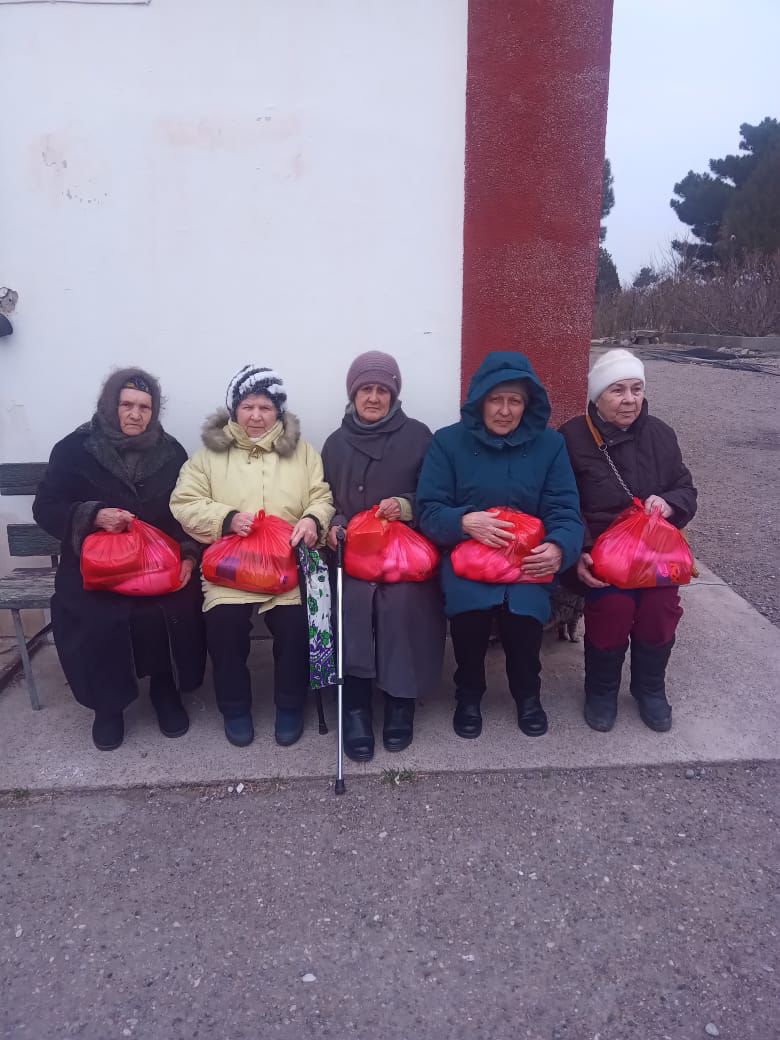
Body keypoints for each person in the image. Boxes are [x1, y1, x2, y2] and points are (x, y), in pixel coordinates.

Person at [33, 368, 206, 751]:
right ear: (110, 405)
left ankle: (165, 688)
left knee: (174, 603)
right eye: (127, 404)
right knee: (96, 615)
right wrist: (93, 516)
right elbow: (45, 507)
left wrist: (189, 555)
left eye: (145, 407)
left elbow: (186, 512)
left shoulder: (171, 452)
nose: (135, 414)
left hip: (156, 563)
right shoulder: (74, 449)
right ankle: (107, 706)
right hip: (96, 566)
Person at [417, 351, 583, 739]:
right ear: (480, 400)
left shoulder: (550, 445)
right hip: (468, 558)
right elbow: (428, 510)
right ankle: (468, 694)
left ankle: (528, 695)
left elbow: (565, 510)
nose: (505, 411)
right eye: (496, 399)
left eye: (515, 401)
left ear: (528, 404)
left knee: (523, 619)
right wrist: (463, 521)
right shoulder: (448, 442)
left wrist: (559, 548)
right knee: (469, 615)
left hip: (526, 560)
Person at [170, 365, 334, 748]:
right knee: (223, 623)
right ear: (234, 409)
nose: (256, 416)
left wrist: (312, 520)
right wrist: (226, 519)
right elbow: (184, 501)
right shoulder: (209, 455)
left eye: (265, 407)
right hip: (231, 567)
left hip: (285, 564)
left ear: (278, 411)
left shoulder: (302, 452)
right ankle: (235, 707)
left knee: (295, 624)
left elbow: (321, 496)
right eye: (248, 406)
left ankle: (290, 705)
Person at [559, 348, 697, 733]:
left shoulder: (660, 435)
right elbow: (562, 502)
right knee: (614, 606)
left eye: (637, 389)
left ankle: (649, 688)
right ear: (597, 396)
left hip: (653, 554)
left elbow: (686, 489)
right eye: (617, 390)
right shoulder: (572, 438)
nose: (630, 399)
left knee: (660, 607)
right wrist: (579, 550)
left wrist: (669, 504)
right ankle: (601, 691)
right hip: (598, 552)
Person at [321, 351, 445, 761]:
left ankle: (400, 700)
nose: (373, 398)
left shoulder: (419, 436)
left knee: (403, 604)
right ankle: (356, 705)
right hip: (353, 554)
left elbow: (436, 494)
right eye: (365, 390)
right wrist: (336, 524)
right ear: (352, 394)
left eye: (382, 390)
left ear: (394, 395)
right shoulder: (335, 443)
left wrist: (405, 506)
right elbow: (326, 496)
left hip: (403, 556)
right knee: (351, 603)